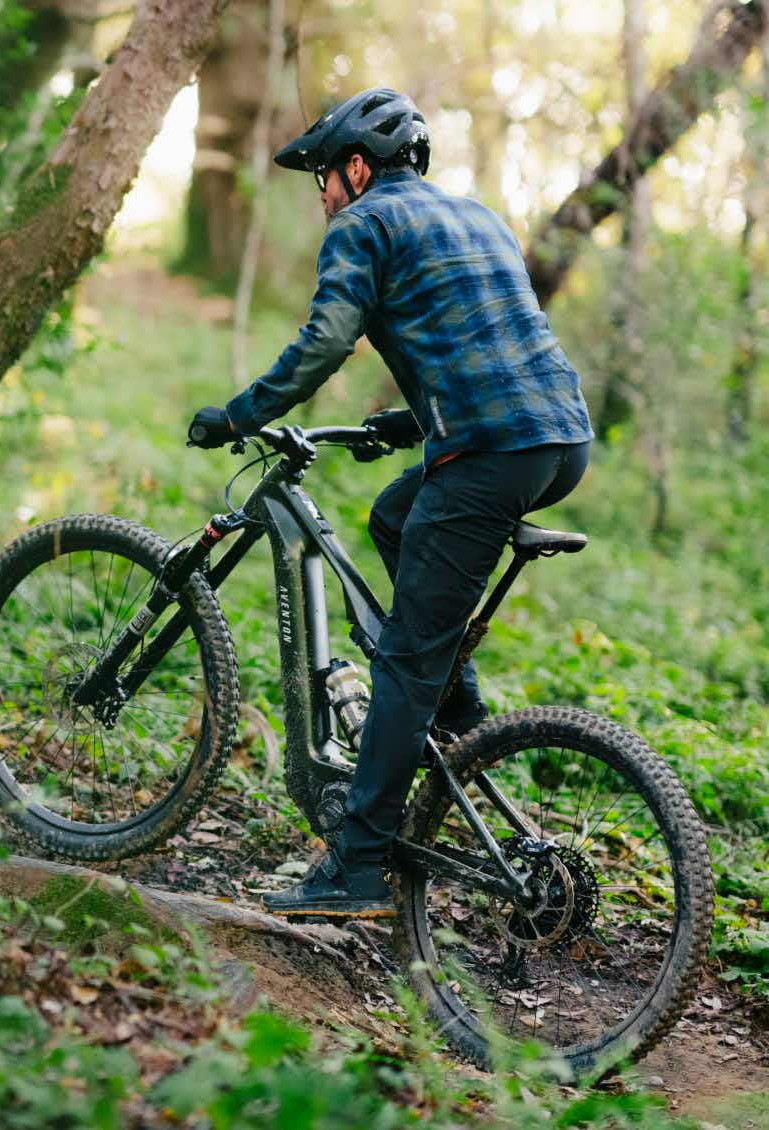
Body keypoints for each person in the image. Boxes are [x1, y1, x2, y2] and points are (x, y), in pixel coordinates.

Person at [188, 88, 593, 918]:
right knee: (394, 516)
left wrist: (241, 414)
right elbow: (489, 340)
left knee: (405, 658)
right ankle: (460, 726)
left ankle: (357, 868)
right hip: (561, 441)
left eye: (326, 179)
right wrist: (407, 424)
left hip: (490, 454)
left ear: (359, 168)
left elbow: (328, 339)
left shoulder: (363, 226)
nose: (324, 195)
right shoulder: (479, 218)